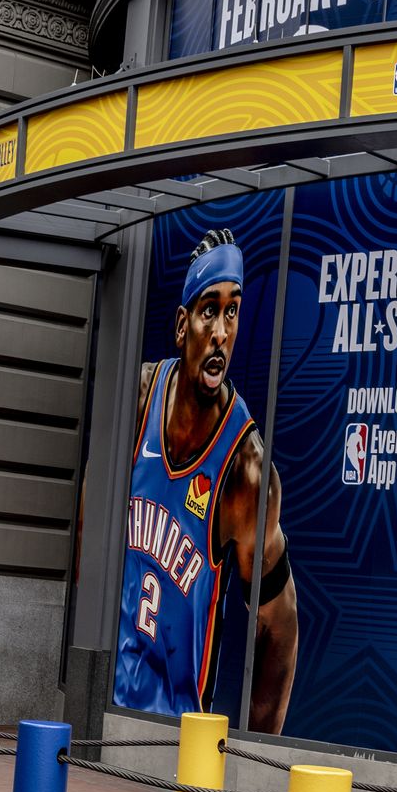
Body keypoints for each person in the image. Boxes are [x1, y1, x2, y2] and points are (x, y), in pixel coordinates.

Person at [115, 229, 299, 734]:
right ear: (183, 325)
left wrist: (254, 757)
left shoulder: (246, 469)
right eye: (209, 311)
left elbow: (280, 626)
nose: (221, 331)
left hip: (178, 735)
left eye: (232, 311)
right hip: (106, 706)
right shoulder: (137, 400)